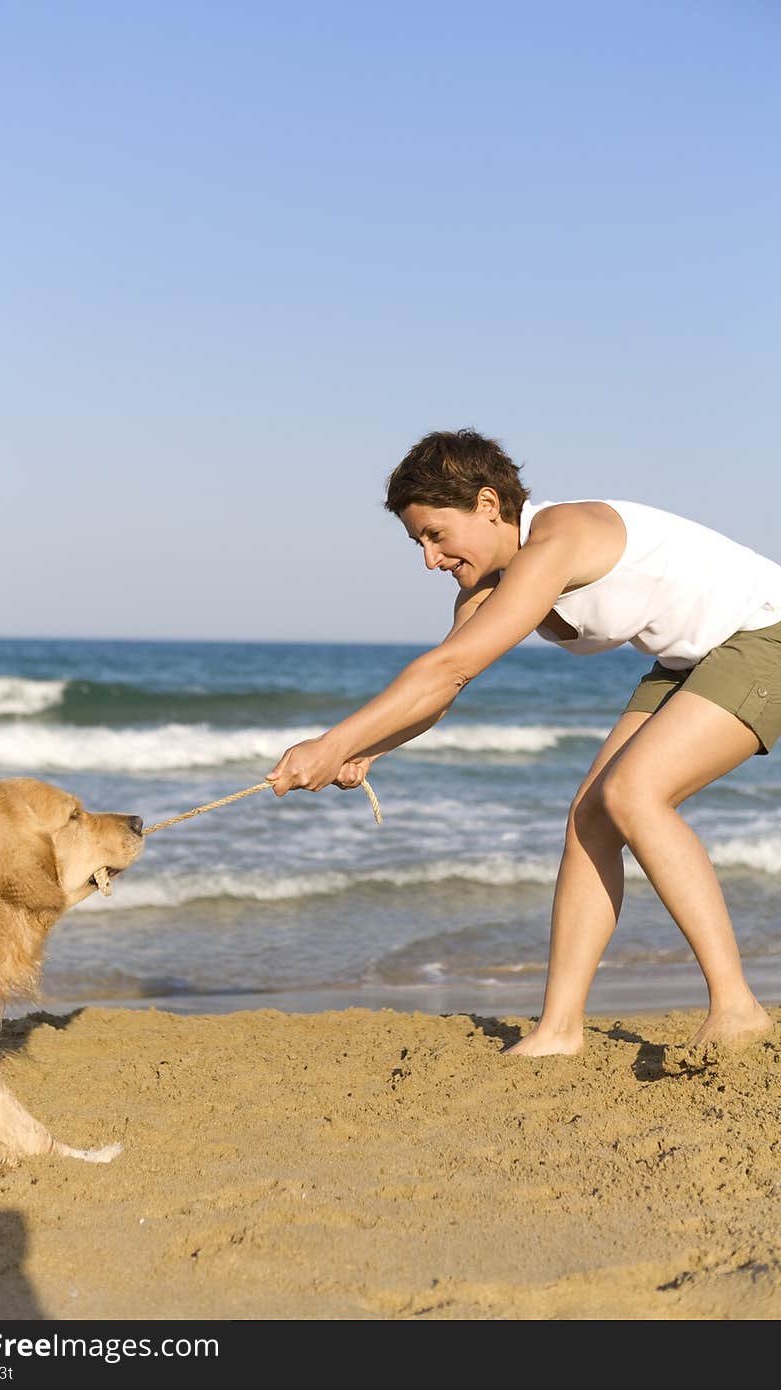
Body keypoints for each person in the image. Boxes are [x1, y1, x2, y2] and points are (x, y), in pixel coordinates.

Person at [266, 429, 781, 1055]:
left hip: (763, 635)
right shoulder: (485, 585)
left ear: (488, 505)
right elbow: (445, 682)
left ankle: (737, 1007)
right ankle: (560, 1029)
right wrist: (366, 750)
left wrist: (328, 742)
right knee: (590, 817)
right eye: (417, 541)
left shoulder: (555, 542)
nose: (428, 558)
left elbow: (446, 671)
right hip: (689, 660)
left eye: (435, 535)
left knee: (634, 793)